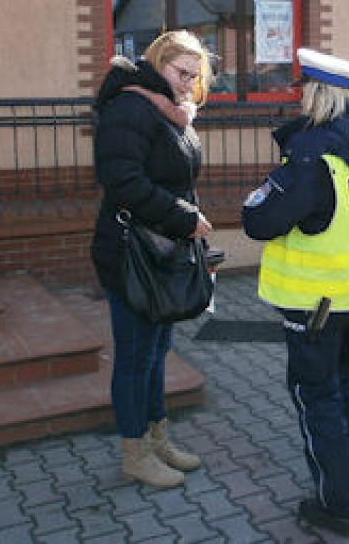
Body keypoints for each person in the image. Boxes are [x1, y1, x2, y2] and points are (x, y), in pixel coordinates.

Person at [242, 47, 349, 537]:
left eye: (303, 91)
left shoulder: (315, 156)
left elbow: (259, 219)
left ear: (317, 94)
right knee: (342, 386)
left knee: (316, 397)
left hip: (316, 305)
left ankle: (337, 505)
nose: (299, 100)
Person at [91, 30, 214, 488]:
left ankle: (157, 437)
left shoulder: (171, 112)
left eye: (195, 77)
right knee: (135, 356)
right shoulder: (130, 108)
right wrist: (185, 219)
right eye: (181, 73)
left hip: (162, 249)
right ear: (158, 63)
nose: (187, 84)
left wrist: (189, 225)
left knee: (158, 351)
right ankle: (134, 451)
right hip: (129, 253)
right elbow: (124, 183)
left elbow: (174, 179)